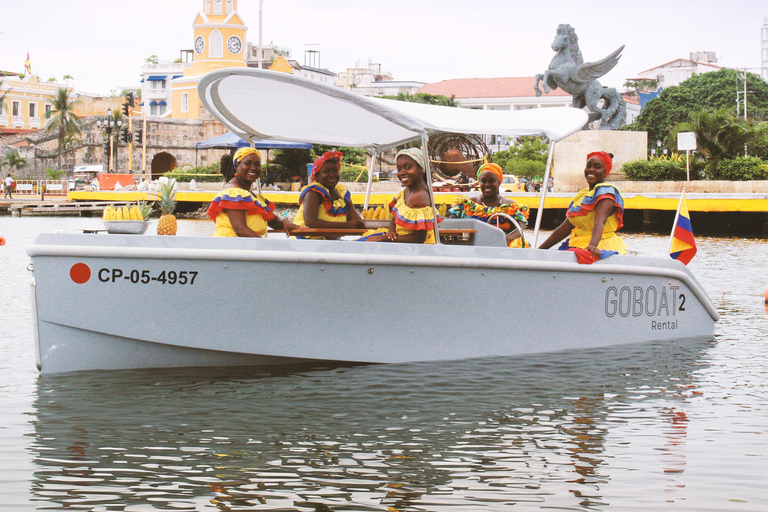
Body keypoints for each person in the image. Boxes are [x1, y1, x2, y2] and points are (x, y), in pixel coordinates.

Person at [539, 151, 627, 258]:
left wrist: (592, 246)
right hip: (578, 244)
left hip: (599, 247)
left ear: (605, 172)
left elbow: (600, 222)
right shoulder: (583, 195)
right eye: (588, 166)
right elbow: (566, 227)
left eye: (597, 167)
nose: (591, 170)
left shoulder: (607, 193)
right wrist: (539, 250)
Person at [207, 148, 299, 237]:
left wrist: (283, 221)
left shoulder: (249, 194)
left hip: (247, 247)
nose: (253, 168)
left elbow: (272, 221)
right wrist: (266, 247)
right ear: (236, 167)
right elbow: (240, 229)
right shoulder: (234, 193)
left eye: (257, 164)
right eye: (248, 163)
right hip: (232, 248)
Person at [366, 147, 439, 244]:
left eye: (408, 167)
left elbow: (418, 239)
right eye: (399, 168)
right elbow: (394, 219)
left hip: (418, 252)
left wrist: (386, 238)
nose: (402, 172)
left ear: (421, 168)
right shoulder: (405, 192)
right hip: (403, 247)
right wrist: (391, 233)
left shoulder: (419, 197)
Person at [448, 162, 530, 247]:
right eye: (483, 181)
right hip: (474, 247)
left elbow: (519, 230)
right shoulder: (468, 204)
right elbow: (451, 223)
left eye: (491, 181)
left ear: (499, 182)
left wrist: (505, 240)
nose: (487, 184)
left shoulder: (511, 206)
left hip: (503, 248)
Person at [292, 150, 365, 239]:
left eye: (335, 170)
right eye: (326, 171)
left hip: (329, 244)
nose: (332, 175)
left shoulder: (341, 195)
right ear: (317, 176)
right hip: (307, 244)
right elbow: (310, 222)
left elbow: (356, 221)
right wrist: (346, 225)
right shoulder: (313, 193)